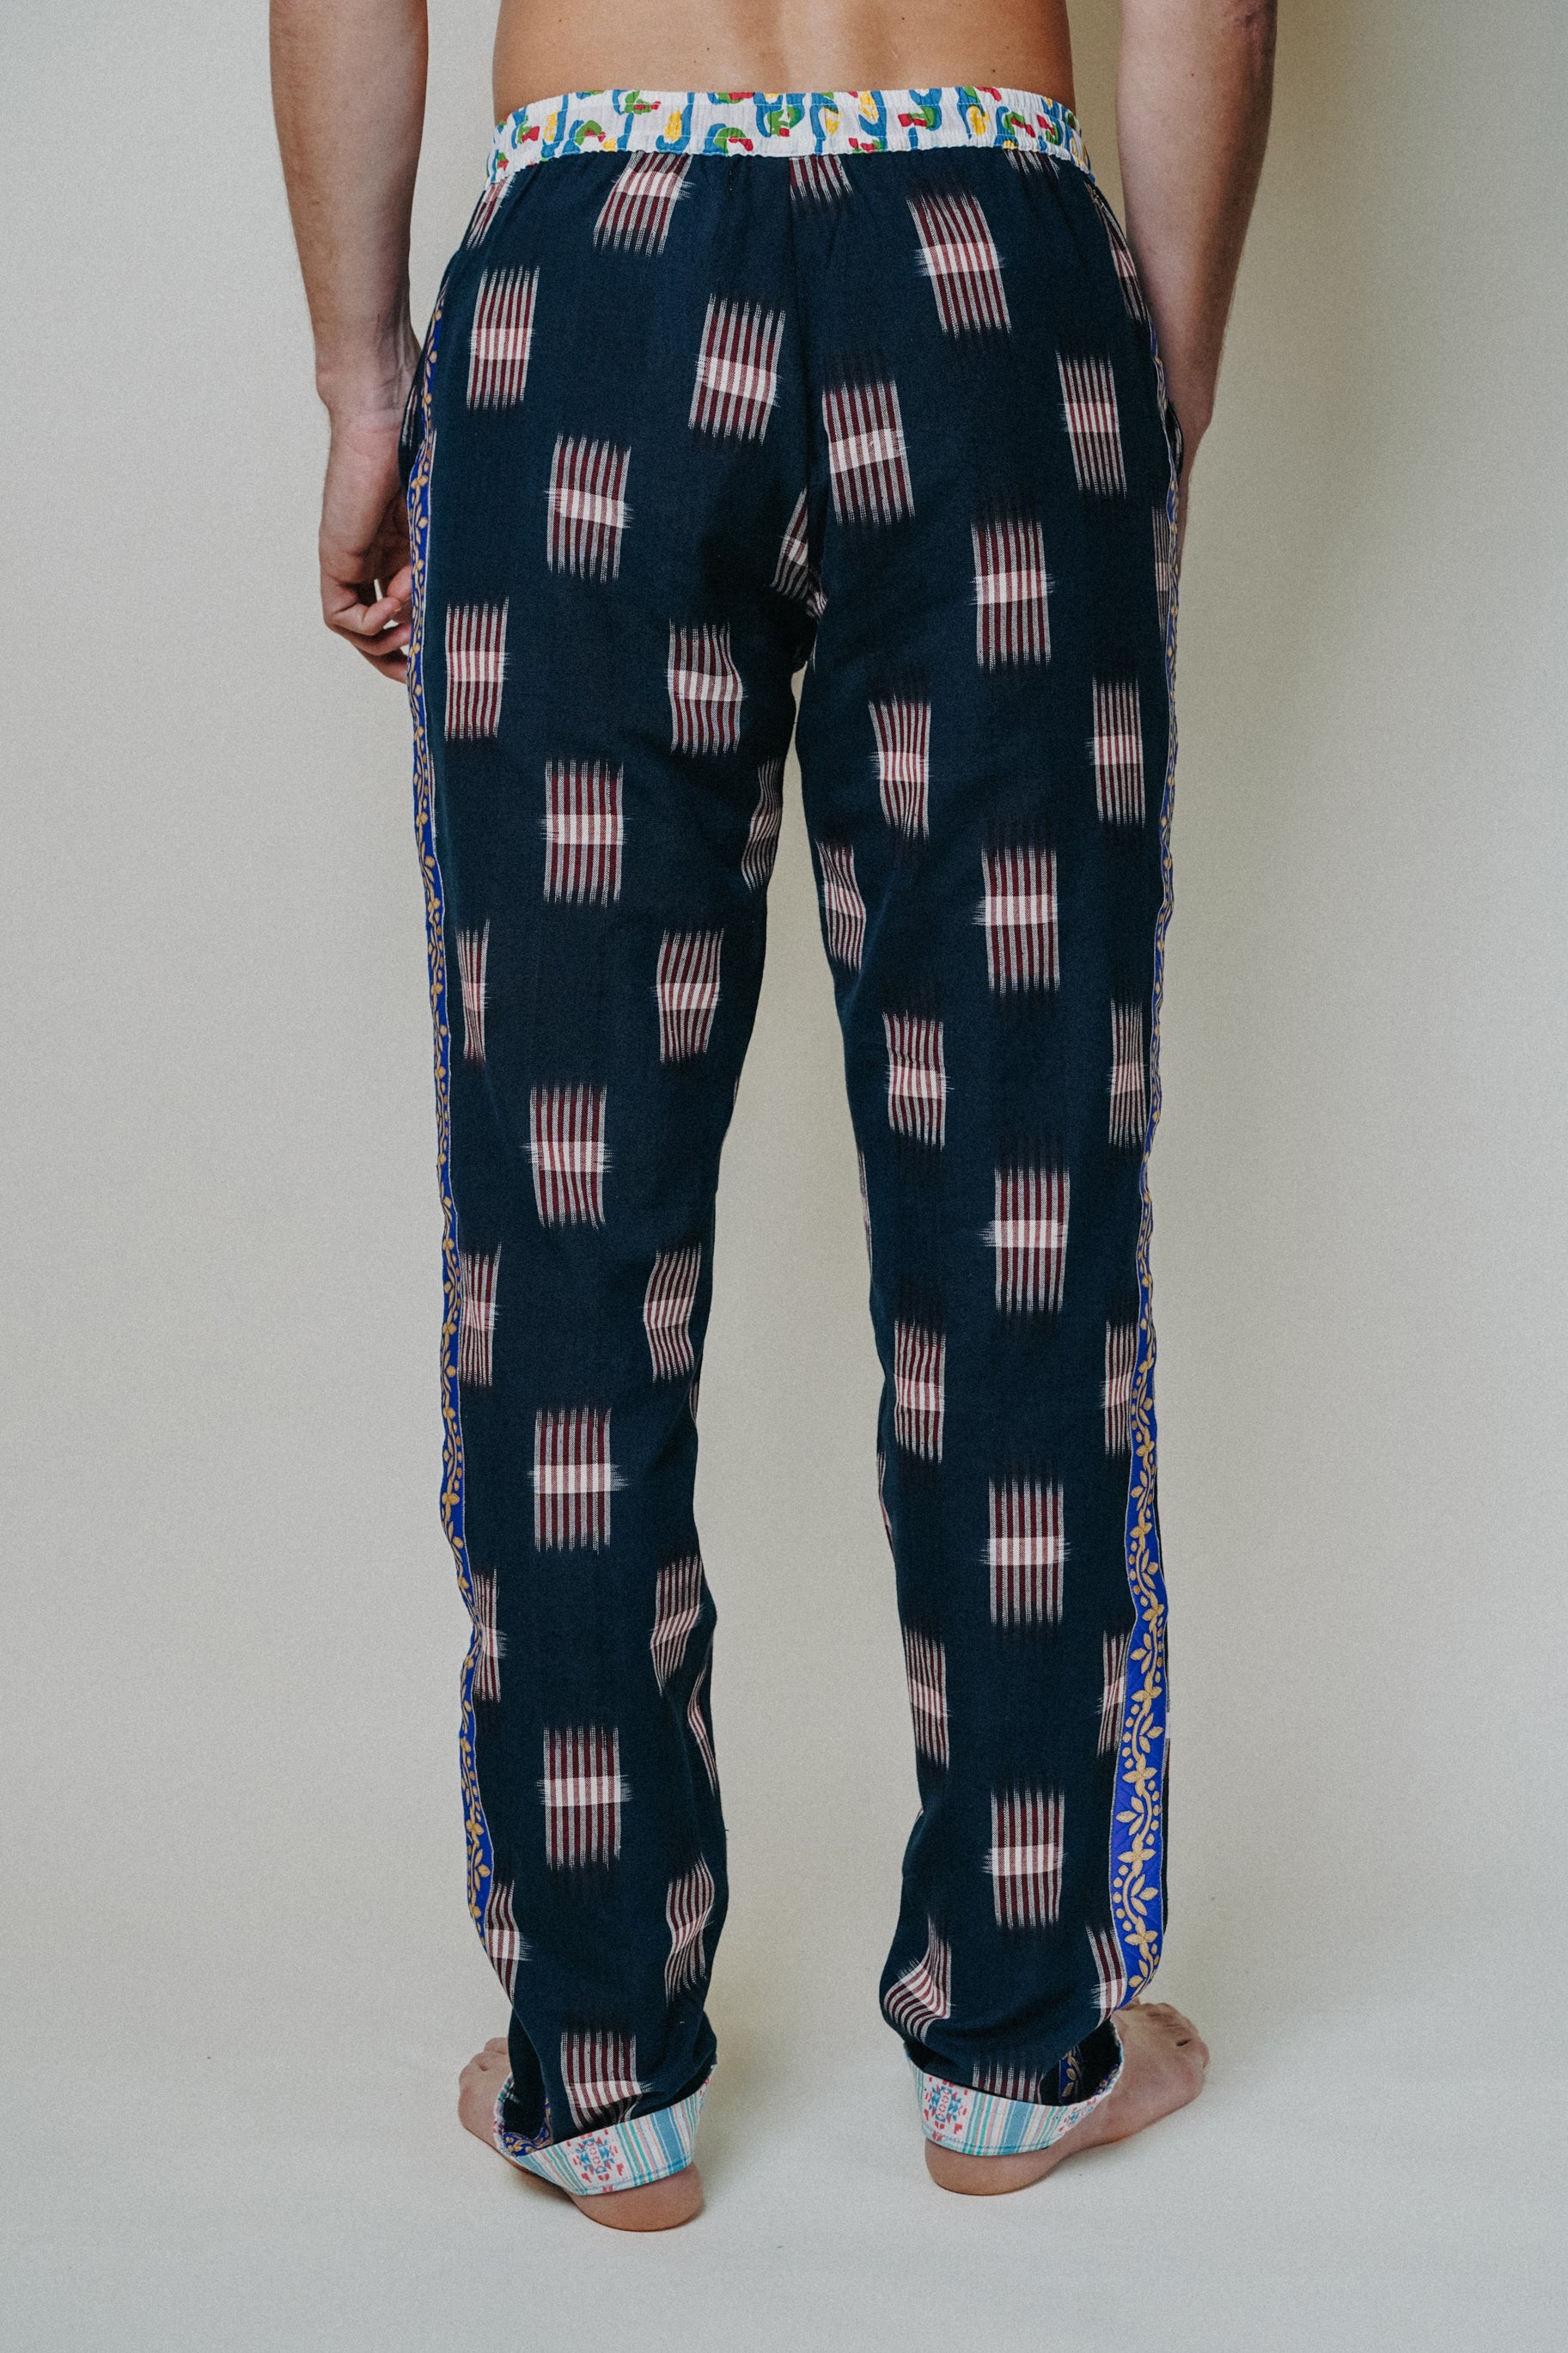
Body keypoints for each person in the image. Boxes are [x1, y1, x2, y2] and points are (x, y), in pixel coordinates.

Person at [271, 0, 1274, 2234]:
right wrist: (1157, 380)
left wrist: (360, 382)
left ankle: (597, 2069)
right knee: (1018, 1210)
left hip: (594, 288)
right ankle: (1016, 2036)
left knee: (566, 1222)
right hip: (988, 276)